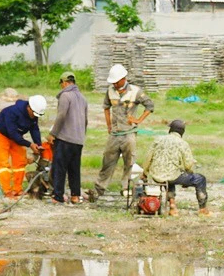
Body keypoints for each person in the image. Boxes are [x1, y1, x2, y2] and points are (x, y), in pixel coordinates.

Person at [89, 63, 153, 200]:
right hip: (115, 133)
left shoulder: (135, 91)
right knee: (107, 160)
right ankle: (99, 189)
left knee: (129, 162)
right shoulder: (110, 91)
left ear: (124, 78)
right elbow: (106, 107)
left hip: (129, 133)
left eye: (117, 81)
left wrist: (138, 120)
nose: (115, 84)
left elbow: (150, 105)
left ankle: (126, 188)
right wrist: (108, 125)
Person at [144, 119, 209, 217]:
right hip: (172, 176)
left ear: (170, 129)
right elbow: (188, 165)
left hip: (156, 175)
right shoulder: (182, 143)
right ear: (182, 132)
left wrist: (145, 172)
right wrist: (189, 173)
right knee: (200, 179)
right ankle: (203, 209)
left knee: (169, 178)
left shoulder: (158, 139)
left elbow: (148, 158)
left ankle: (172, 206)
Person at [0, 96, 46, 198]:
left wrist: (38, 145)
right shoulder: (12, 112)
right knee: (3, 163)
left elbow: (34, 129)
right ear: (29, 108)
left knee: (20, 161)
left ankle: (17, 189)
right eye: (34, 114)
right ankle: (7, 191)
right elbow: (13, 134)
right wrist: (30, 145)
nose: (35, 116)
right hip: (1, 135)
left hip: (17, 137)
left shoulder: (34, 113)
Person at [49, 70, 88, 205]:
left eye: (61, 84)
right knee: (74, 169)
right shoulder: (83, 98)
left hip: (65, 138)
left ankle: (58, 196)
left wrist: (53, 133)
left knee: (59, 167)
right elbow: (86, 121)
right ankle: (75, 196)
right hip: (78, 139)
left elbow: (61, 116)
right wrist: (82, 136)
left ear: (64, 83)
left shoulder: (65, 96)